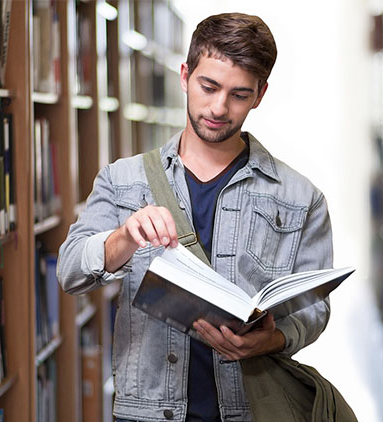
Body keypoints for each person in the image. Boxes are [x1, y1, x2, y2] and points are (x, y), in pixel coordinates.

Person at [57, 12, 333, 422]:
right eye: (209, 86)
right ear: (185, 75)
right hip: (146, 412)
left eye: (239, 94)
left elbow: (314, 309)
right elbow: (70, 271)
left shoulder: (300, 197)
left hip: (250, 410)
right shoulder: (123, 180)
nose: (219, 108)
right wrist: (123, 238)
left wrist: (273, 339)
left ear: (260, 94)